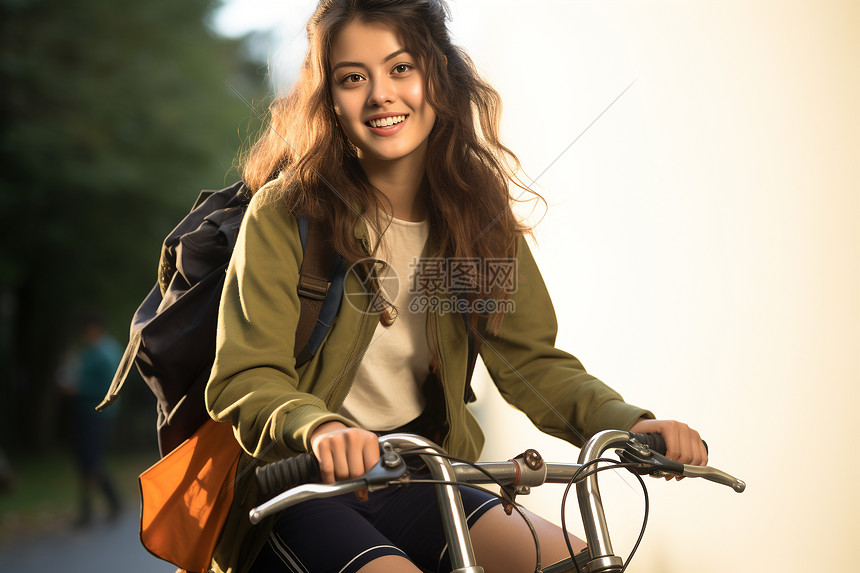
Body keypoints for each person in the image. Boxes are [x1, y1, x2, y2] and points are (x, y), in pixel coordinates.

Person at [205, 1, 708, 572]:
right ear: (330, 99)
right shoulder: (291, 211)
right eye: (352, 78)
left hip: (422, 476)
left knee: (572, 561)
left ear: (437, 77)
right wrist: (318, 427)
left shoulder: (474, 218)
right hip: (296, 486)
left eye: (400, 69)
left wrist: (631, 424)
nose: (380, 95)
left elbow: (533, 363)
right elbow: (246, 376)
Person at [62, 309, 123, 527]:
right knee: (87, 459)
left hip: (99, 413)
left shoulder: (106, 352)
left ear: (94, 328)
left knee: (91, 459)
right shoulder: (89, 351)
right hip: (84, 412)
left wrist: (77, 388)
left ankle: (89, 510)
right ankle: (111, 503)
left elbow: (109, 388)